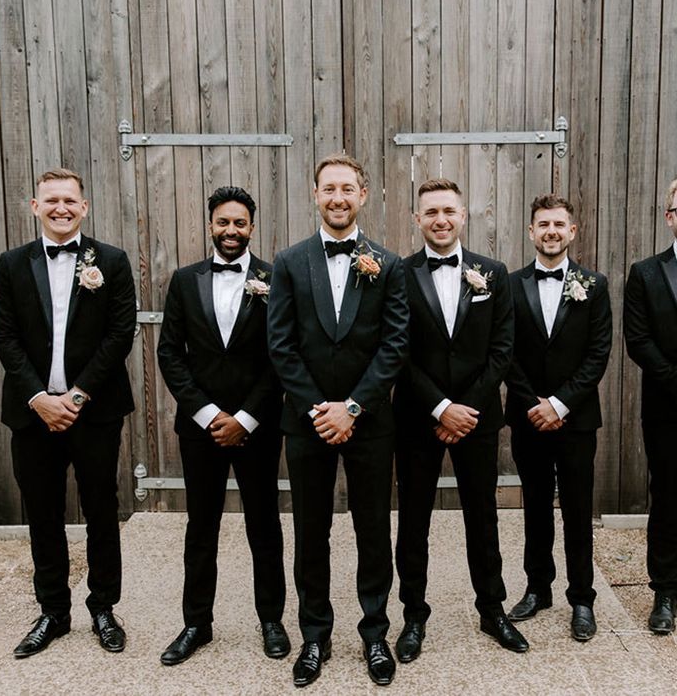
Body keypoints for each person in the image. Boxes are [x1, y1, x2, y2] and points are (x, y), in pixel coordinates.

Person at [267, 154, 408, 687]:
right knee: (311, 531)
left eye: (347, 188)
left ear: (363, 195)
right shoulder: (288, 261)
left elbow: (394, 345)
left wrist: (352, 407)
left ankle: (375, 634)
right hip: (307, 424)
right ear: (316, 194)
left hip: (369, 422)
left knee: (373, 529)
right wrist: (319, 409)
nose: (338, 198)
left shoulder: (387, 265)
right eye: (329, 188)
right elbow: (280, 345)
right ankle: (315, 636)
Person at [0, 168, 136, 658]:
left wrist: (75, 397)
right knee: (44, 512)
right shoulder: (11, 265)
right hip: (32, 413)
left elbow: (120, 335)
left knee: (101, 508)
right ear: (35, 207)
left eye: (70, 200)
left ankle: (103, 608)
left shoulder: (111, 263)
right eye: (51, 200)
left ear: (84, 207)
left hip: (93, 412)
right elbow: (4, 335)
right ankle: (53, 611)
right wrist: (39, 397)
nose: (61, 208)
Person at [393, 178, 527, 660]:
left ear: (464, 215)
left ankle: (492, 610)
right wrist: (438, 407)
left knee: (482, 515)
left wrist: (463, 407)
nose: (440, 220)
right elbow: (398, 352)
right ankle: (412, 616)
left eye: (448, 210)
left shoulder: (494, 273)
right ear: (417, 219)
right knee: (413, 520)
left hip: (477, 417)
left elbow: (502, 348)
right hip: (417, 418)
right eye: (430, 212)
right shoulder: (398, 274)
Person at [157, 186, 289, 665]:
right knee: (201, 525)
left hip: (258, 427)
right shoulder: (185, 280)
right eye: (222, 222)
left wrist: (247, 418)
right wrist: (210, 414)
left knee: (264, 523)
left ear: (252, 227)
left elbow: (282, 357)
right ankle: (197, 623)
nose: (230, 231)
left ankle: (271, 620)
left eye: (239, 223)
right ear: (210, 225)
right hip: (202, 428)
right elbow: (170, 352)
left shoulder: (276, 279)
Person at [505, 194, 612, 641]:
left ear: (572, 231)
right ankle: (537, 587)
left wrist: (561, 404)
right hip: (528, 417)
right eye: (542, 224)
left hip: (576, 419)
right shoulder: (509, 284)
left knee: (577, 508)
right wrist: (535, 403)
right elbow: (504, 350)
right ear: (531, 232)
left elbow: (598, 352)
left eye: (559, 224)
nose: (551, 231)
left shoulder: (595, 284)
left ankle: (582, 598)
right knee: (534, 506)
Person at [624, 177, 677, 635]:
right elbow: (638, 340)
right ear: (669, 216)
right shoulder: (645, 272)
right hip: (666, 405)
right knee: (668, 495)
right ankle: (664, 591)